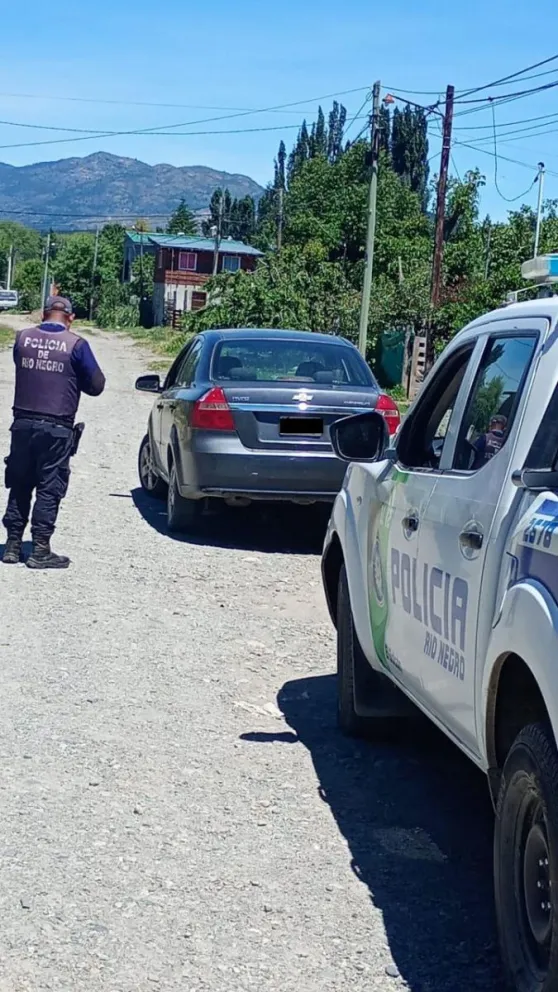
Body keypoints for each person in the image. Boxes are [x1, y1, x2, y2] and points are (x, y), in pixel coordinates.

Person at [2, 296, 106, 569]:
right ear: (70, 318)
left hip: (22, 424)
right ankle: (40, 549)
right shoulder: (76, 345)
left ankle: (12, 546)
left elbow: (22, 365)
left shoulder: (23, 338)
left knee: (20, 481)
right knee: (50, 486)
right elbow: (96, 385)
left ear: (44, 315)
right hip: (57, 427)